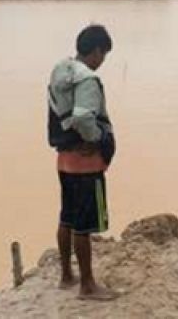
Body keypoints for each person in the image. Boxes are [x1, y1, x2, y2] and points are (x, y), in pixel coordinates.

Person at [47, 24, 117, 301]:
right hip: (85, 163)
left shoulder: (62, 69)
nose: (103, 61)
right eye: (104, 55)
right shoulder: (87, 79)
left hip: (64, 160)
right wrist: (97, 138)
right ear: (97, 50)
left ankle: (66, 275)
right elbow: (83, 117)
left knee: (67, 217)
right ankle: (87, 285)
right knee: (84, 224)